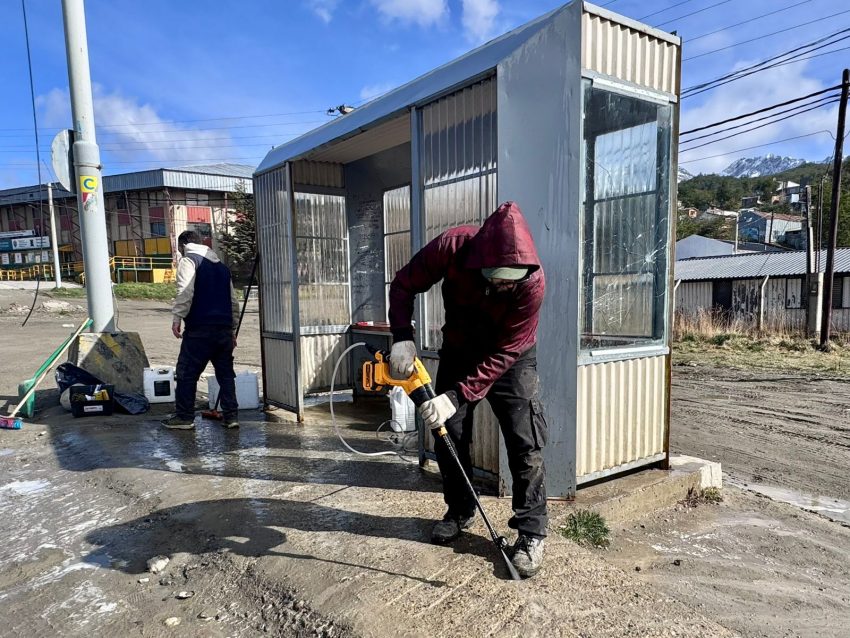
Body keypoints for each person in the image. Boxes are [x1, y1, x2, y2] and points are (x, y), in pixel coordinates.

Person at [388, 201, 548, 578]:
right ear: (481, 261)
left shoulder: (533, 282)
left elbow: (506, 352)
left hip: (510, 357)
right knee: (448, 433)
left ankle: (531, 531)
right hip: (460, 351)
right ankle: (460, 509)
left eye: (513, 279)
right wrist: (402, 336)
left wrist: (457, 395)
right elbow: (404, 284)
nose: (505, 285)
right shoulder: (453, 247)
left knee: (525, 439)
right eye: (499, 277)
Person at [162, 231, 241, 430]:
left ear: (183, 246)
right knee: (225, 374)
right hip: (223, 331)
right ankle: (231, 417)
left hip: (199, 330)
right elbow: (233, 302)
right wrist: (232, 329)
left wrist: (177, 318)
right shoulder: (222, 268)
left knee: (187, 373)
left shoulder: (189, 261)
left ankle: (184, 418)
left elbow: (185, 291)